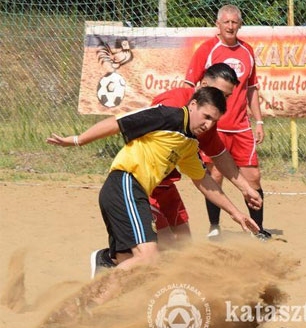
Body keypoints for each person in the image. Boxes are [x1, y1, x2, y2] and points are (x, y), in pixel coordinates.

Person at [46, 87, 260, 281]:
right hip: (127, 183)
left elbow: (203, 181)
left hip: (129, 190)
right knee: (149, 257)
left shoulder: (189, 141)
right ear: (193, 105)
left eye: (214, 121)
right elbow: (119, 122)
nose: (209, 125)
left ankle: (103, 281)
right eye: (206, 117)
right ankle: (84, 305)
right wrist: (77, 140)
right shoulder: (167, 115)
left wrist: (236, 213)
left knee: (129, 261)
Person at [148, 63, 262, 246]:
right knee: (162, 247)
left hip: (165, 183)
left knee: (183, 243)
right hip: (142, 181)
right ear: (202, 85)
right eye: (218, 92)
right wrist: (83, 139)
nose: (221, 100)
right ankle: (108, 258)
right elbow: (123, 125)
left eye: (226, 96)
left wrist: (245, 189)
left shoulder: (204, 121)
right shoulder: (173, 104)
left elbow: (218, 155)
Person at [185, 4, 270, 241]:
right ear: (218, 25)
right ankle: (215, 226)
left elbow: (252, 89)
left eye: (235, 22)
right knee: (215, 175)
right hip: (214, 126)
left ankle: (258, 229)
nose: (231, 26)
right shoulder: (207, 50)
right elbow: (189, 85)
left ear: (240, 25)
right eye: (226, 22)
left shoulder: (247, 51)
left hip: (241, 127)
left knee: (253, 178)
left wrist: (259, 121)